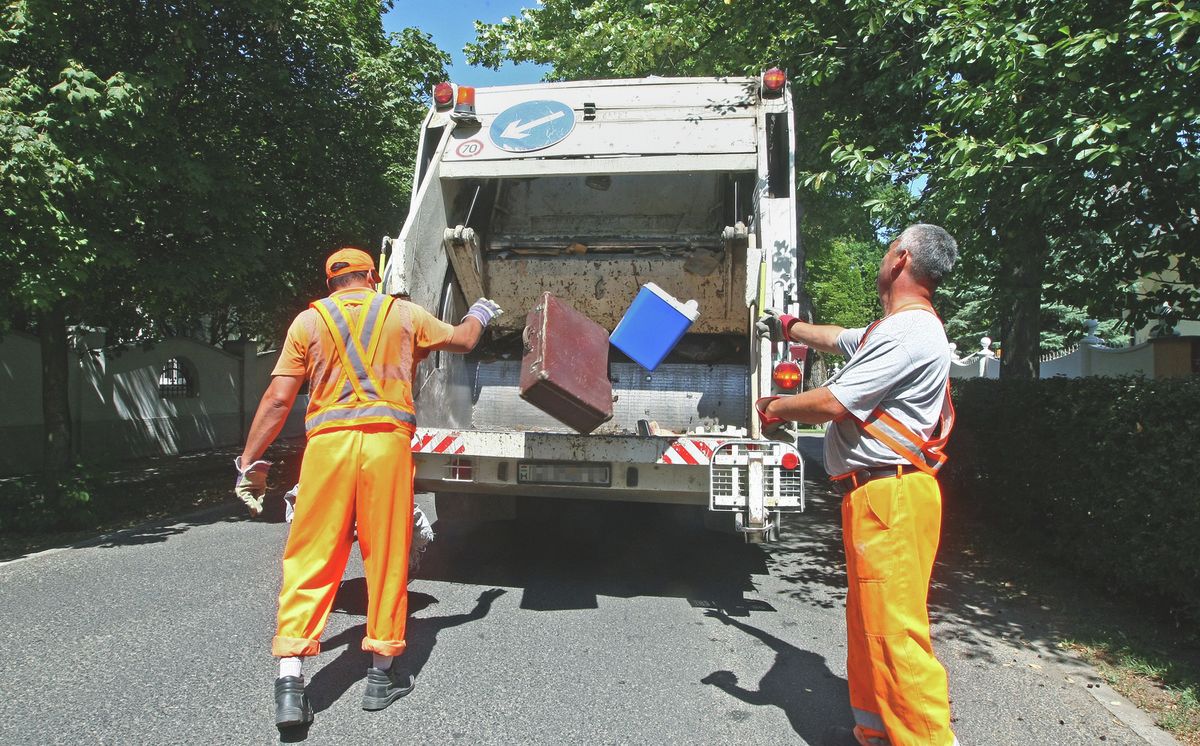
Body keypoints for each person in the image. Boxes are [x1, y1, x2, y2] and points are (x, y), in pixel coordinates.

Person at [233, 247, 502, 729]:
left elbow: (277, 399)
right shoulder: (403, 313)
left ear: (332, 282)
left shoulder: (307, 323)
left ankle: (291, 681)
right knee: (386, 554)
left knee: (310, 556)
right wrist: (480, 310)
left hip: (326, 451)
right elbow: (462, 340)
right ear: (372, 277)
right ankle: (382, 673)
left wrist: (249, 462)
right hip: (385, 448)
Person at [755, 224, 960, 746]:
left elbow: (833, 402)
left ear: (902, 259)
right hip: (880, 495)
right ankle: (876, 733)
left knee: (894, 632)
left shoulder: (909, 333)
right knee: (870, 622)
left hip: (892, 494)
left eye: (889, 248)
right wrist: (788, 326)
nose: (882, 256)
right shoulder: (891, 330)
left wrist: (772, 409)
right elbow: (839, 337)